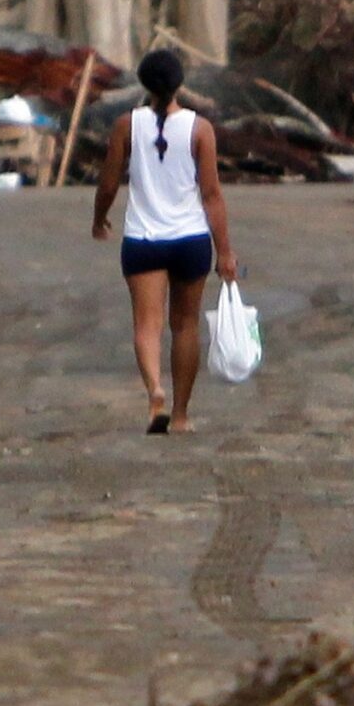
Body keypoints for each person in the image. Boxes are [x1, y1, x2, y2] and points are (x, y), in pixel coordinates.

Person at [91, 49, 238, 435]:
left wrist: (99, 218)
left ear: (143, 83)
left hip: (143, 239)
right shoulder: (199, 129)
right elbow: (211, 195)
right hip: (190, 239)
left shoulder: (127, 125)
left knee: (147, 325)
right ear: (179, 84)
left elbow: (109, 183)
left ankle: (155, 389)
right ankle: (182, 414)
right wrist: (224, 251)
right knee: (185, 327)